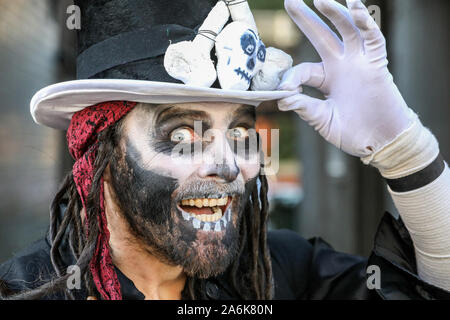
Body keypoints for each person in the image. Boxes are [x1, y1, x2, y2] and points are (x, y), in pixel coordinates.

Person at [0, 0, 449, 300]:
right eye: (181, 135)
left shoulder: (282, 275)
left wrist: (403, 151)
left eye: (239, 133)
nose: (227, 164)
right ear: (100, 150)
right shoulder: (21, 290)